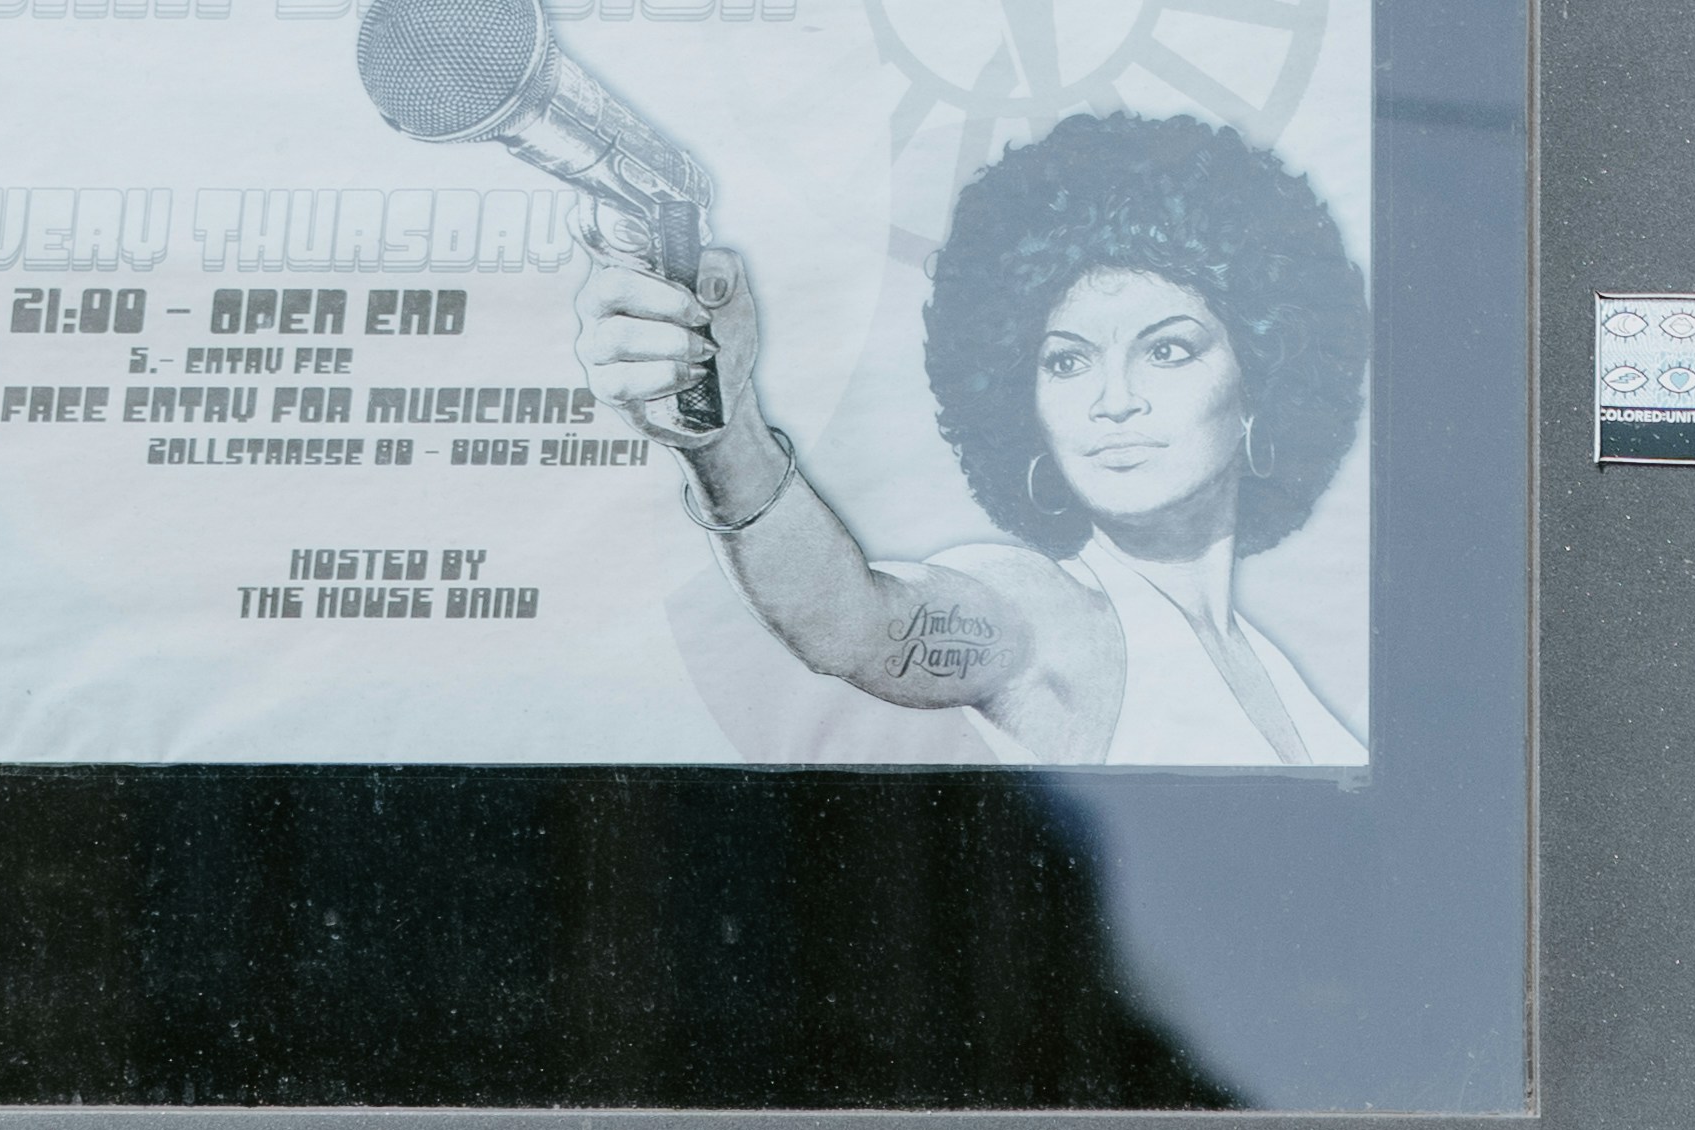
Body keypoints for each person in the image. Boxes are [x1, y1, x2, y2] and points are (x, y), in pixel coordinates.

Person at [586, 109, 1371, 772]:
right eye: (1066, 360)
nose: (1115, 401)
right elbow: (855, 622)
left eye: (1167, 350)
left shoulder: (1278, 673)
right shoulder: (1059, 618)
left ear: (1263, 377)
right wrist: (725, 439)